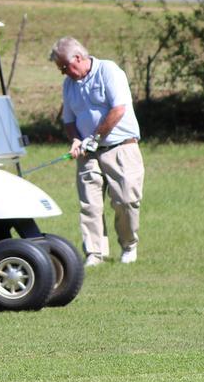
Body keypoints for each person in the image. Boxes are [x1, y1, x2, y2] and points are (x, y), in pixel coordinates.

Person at [50, 37, 144, 266]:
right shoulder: (69, 85)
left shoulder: (109, 71)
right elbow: (69, 119)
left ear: (78, 59)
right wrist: (75, 139)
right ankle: (94, 253)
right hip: (88, 153)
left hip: (120, 147)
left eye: (64, 67)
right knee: (89, 205)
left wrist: (94, 138)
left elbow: (119, 109)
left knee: (126, 201)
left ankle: (129, 246)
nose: (63, 73)